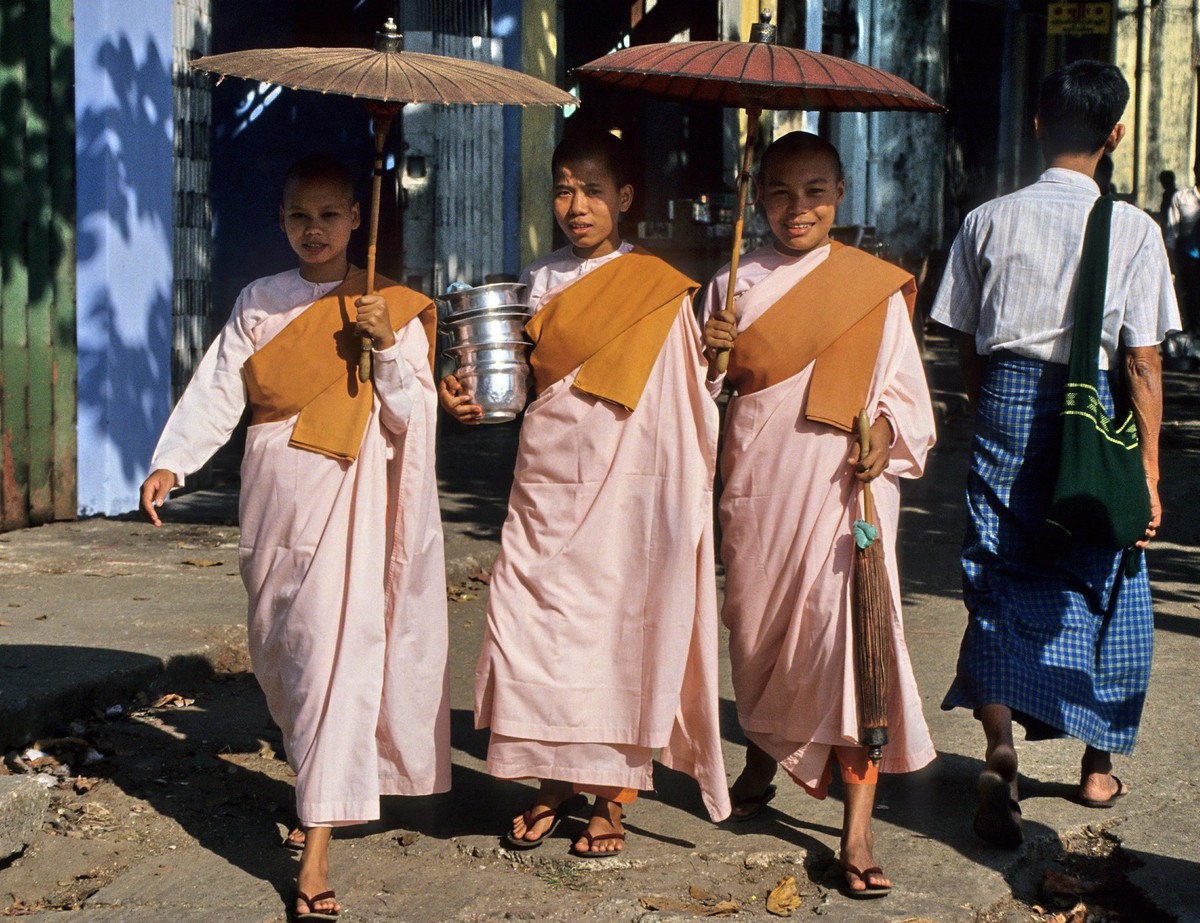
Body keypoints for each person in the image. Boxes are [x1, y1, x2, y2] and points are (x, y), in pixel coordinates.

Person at [140, 155, 451, 919]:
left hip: (351, 494)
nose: (315, 230)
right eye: (299, 217)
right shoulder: (260, 300)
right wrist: (172, 460)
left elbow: (415, 415)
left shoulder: (390, 305)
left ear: (356, 219)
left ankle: (314, 847)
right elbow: (219, 386)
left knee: (332, 655)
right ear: (282, 223)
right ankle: (318, 766)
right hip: (275, 489)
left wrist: (381, 343)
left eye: (330, 215)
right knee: (280, 649)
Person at [441, 125, 730, 856]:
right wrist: (459, 395)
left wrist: (715, 357)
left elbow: (688, 400)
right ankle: (547, 781)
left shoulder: (659, 287)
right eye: (564, 189)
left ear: (625, 197)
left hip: (628, 495)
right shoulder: (532, 285)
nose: (577, 205)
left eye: (593, 190)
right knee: (529, 626)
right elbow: (498, 381)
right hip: (547, 484)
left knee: (611, 639)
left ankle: (609, 798)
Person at [931, 61, 1179, 849]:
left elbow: (964, 339)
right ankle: (1097, 765)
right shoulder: (1133, 229)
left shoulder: (987, 220)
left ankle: (1000, 747)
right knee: (1109, 570)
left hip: (1005, 399)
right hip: (1095, 409)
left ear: (1036, 125)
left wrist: (988, 404)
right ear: (1115, 135)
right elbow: (1141, 360)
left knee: (1000, 573)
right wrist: (1146, 467)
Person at [701, 131, 937, 898]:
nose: (796, 208)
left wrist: (886, 430)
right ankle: (763, 754)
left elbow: (906, 396)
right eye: (779, 191)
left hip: (845, 494)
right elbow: (696, 405)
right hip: (759, 491)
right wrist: (711, 356)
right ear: (756, 196)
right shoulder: (730, 284)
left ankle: (857, 829)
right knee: (759, 628)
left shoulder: (869, 285)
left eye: (814, 191)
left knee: (852, 648)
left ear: (840, 193)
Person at [1165, 159, 1200, 332]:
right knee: (1189, 305)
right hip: (1189, 261)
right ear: (1195, 169)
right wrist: (1172, 266)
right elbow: (1171, 235)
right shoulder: (1181, 198)